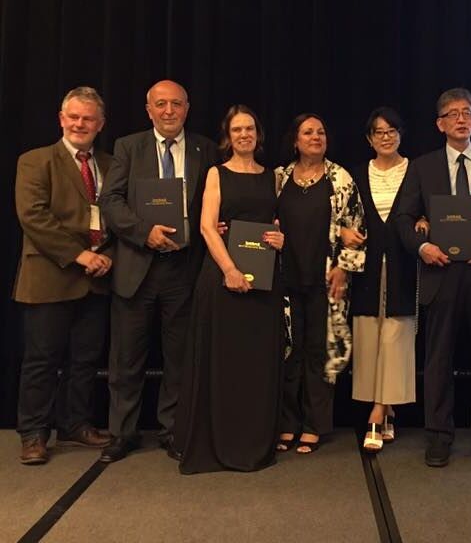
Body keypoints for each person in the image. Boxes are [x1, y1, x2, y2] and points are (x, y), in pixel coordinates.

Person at [395, 87, 471, 468]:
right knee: (438, 360)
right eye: (453, 113)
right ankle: (439, 436)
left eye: (468, 113)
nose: (461, 119)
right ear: (440, 124)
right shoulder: (423, 166)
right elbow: (403, 217)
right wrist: (421, 247)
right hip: (441, 272)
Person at [98, 80, 217, 463]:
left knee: (179, 358)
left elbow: (213, 205)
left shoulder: (205, 149)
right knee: (126, 358)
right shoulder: (128, 147)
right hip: (137, 268)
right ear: (148, 110)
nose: (169, 111)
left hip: (183, 269)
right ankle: (123, 433)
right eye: (161, 104)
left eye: (176, 104)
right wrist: (142, 233)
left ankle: (172, 429)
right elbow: (110, 200)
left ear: (187, 107)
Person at [173, 105, 285, 473]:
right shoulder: (215, 174)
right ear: (228, 136)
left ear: (258, 134)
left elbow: (277, 223)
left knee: (256, 365)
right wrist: (230, 270)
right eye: (237, 129)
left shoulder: (273, 177)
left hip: (263, 285)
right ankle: (219, 442)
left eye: (249, 128)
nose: (244, 135)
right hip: (223, 280)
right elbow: (207, 228)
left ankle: (255, 441)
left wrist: (280, 238)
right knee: (224, 362)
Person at [13, 86, 113, 464]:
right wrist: (80, 255)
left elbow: (116, 215)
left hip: (97, 278)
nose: (80, 124)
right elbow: (33, 217)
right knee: (41, 359)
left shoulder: (109, 163)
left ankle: (76, 423)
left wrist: (108, 256)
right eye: (73, 117)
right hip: (51, 276)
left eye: (88, 118)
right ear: (61, 119)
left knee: (85, 359)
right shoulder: (35, 161)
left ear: (100, 124)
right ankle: (34, 433)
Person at [275, 114, 365, 454]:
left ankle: (315, 426)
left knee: (319, 352)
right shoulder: (279, 178)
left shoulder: (340, 178)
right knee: (288, 352)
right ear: (295, 141)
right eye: (308, 132)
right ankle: (287, 424)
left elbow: (356, 232)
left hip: (325, 282)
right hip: (285, 281)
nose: (316, 137)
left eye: (321, 132)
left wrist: (343, 269)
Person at [350, 107, 418, 452]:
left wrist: (427, 223)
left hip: (405, 266)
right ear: (369, 139)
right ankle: (387, 407)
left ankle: (376, 412)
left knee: (396, 336)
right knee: (368, 338)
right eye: (379, 132)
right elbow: (342, 215)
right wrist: (345, 232)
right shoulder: (356, 174)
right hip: (366, 266)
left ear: (400, 135)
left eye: (392, 130)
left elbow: (429, 209)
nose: (386, 136)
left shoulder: (417, 171)